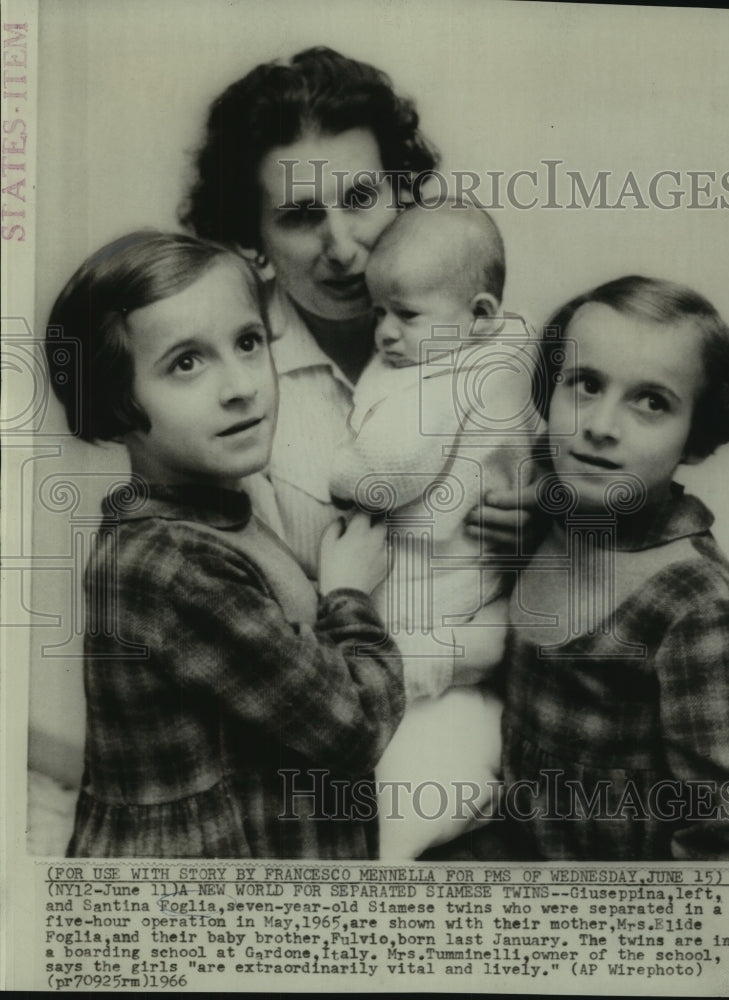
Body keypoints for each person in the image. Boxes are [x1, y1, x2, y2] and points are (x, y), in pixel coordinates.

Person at [47, 231, 405, 858]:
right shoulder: (175, 564)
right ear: (113, 399)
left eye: (247, 342)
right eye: (186, 362)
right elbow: (354, 727)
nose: (241, 385)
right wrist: (348, 593)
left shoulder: (211, 511)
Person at [179, 46, 526, 582]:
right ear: (253, 236)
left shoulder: (483, 330)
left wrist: (552, 511)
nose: (341, 247)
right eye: (300, 215)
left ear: (402, 193)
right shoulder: (232, 385)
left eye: (361, 197)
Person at [501, 275, 729, 860]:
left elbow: (724, 835)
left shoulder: (698, 604)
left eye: (651, 402)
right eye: (584, 385)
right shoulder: (553, 509)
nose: (601, 425)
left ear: (697, 436)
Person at [326, 202, 543, 857]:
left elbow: (384, 475)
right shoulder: (483, 354)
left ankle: (395, 851)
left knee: (403, 775)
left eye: (405, 315)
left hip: (432, 598)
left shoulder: (445, 382)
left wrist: (337, 471)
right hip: (455, 604)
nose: (385, 334)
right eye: (378, 313)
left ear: (479, 315)